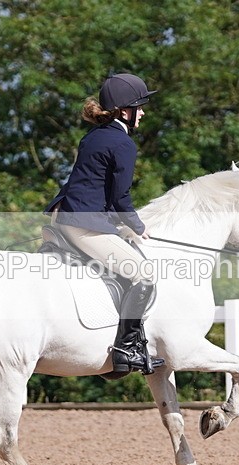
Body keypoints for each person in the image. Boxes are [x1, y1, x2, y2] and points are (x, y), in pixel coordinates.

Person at [44, 73, 164, 379]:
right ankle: (127, 349)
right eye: (141, 106)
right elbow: (120, 196)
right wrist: (137, 225)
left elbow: (96, 188)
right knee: (144, 274)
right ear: (126, 111)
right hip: (85, 224)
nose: (144, 112)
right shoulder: (122, 143)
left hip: (67, 217)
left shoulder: (94, 136)